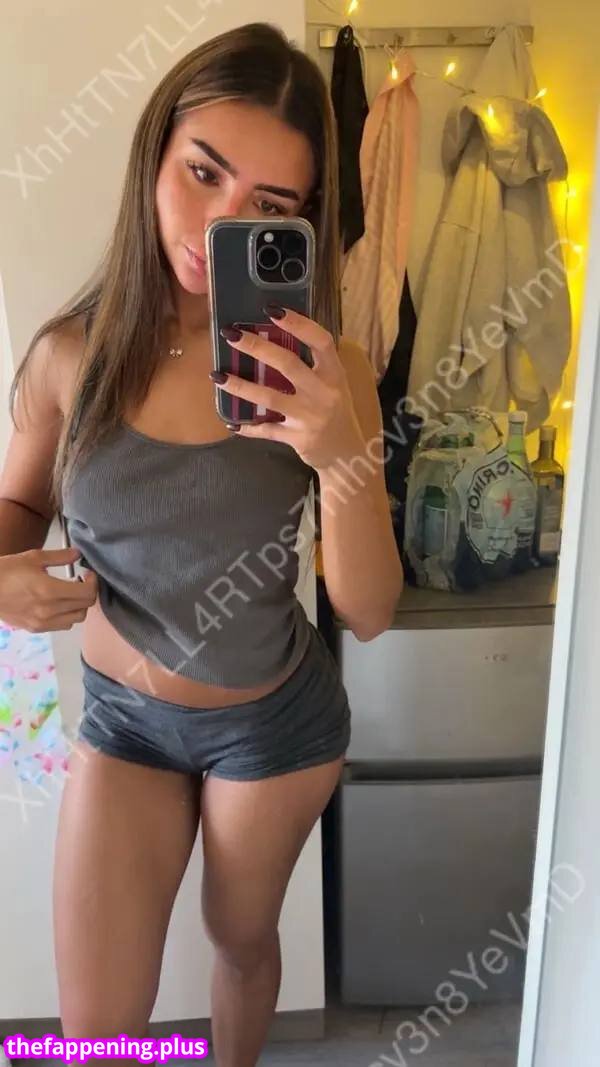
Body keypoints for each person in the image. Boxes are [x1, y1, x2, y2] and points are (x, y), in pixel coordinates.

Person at [0, 22, 403, 1067]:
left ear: (302, 224)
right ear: (155, 154)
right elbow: (16, 507)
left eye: (268, 206)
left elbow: (367, 610)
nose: (221, 221)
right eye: (204, 172)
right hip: (123, 719)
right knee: (94, 1031)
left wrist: (337, 451)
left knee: (240, 938)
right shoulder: (67, 356)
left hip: (270, 727)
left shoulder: (330, 375)